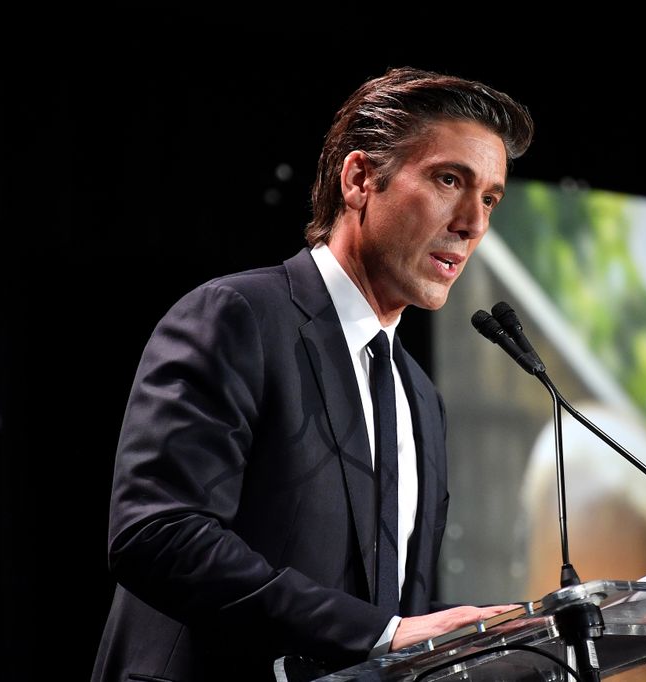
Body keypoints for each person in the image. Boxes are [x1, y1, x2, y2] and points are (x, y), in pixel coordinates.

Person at [91, 67, 534, 682]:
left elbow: (384, 616)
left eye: (489, 197)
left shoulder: (420, 400)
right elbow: (156, 532)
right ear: (359, 179)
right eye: (448, 180)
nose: (473, 222)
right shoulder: (240, 318)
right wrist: (385, 633)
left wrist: (518, 638)